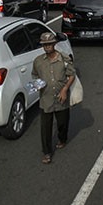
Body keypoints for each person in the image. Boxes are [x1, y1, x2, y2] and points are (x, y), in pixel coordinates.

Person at [32, 32, 75, 164]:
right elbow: (34, 76)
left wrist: (65, 89)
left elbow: (71, 75)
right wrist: (37, 85)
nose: (47, 47)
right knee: (45, 128)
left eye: (50, 44)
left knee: (62, 122)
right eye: (45, 45)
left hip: (61, 98)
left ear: (54, 44)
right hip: (46, 99)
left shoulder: (64, 58)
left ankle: (62, 139)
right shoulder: (38, 61)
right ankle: (47, 152)